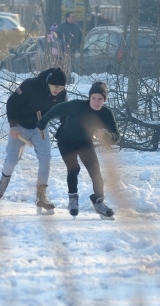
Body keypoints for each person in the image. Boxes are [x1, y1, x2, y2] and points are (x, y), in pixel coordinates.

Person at [36, 81, 120, 219]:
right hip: (65, 140)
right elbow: (57, 109)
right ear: (89, 97)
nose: (96, 102)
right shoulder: (77, 106)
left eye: (100, 99)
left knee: (95, 171)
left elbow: (116, 136)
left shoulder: (106, 114)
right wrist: (43, 121)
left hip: (84, 142)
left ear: (104, 99)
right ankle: (73, 199)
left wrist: (106, 135)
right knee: (74, 168)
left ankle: (99, 202)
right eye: (93, 98)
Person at [0, 67, 68, 213]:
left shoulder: (61, 94)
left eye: (61, 87)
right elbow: (11, 103)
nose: (58, 90)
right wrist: (13, 126)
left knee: (46, 159)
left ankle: (41, 196)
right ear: (48, 82)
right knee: (12, 159)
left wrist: (66, 131)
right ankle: (4, 179)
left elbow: (63, 113)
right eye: (55, 86)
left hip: (39, 127)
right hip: (20, 126)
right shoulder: (30, 85)